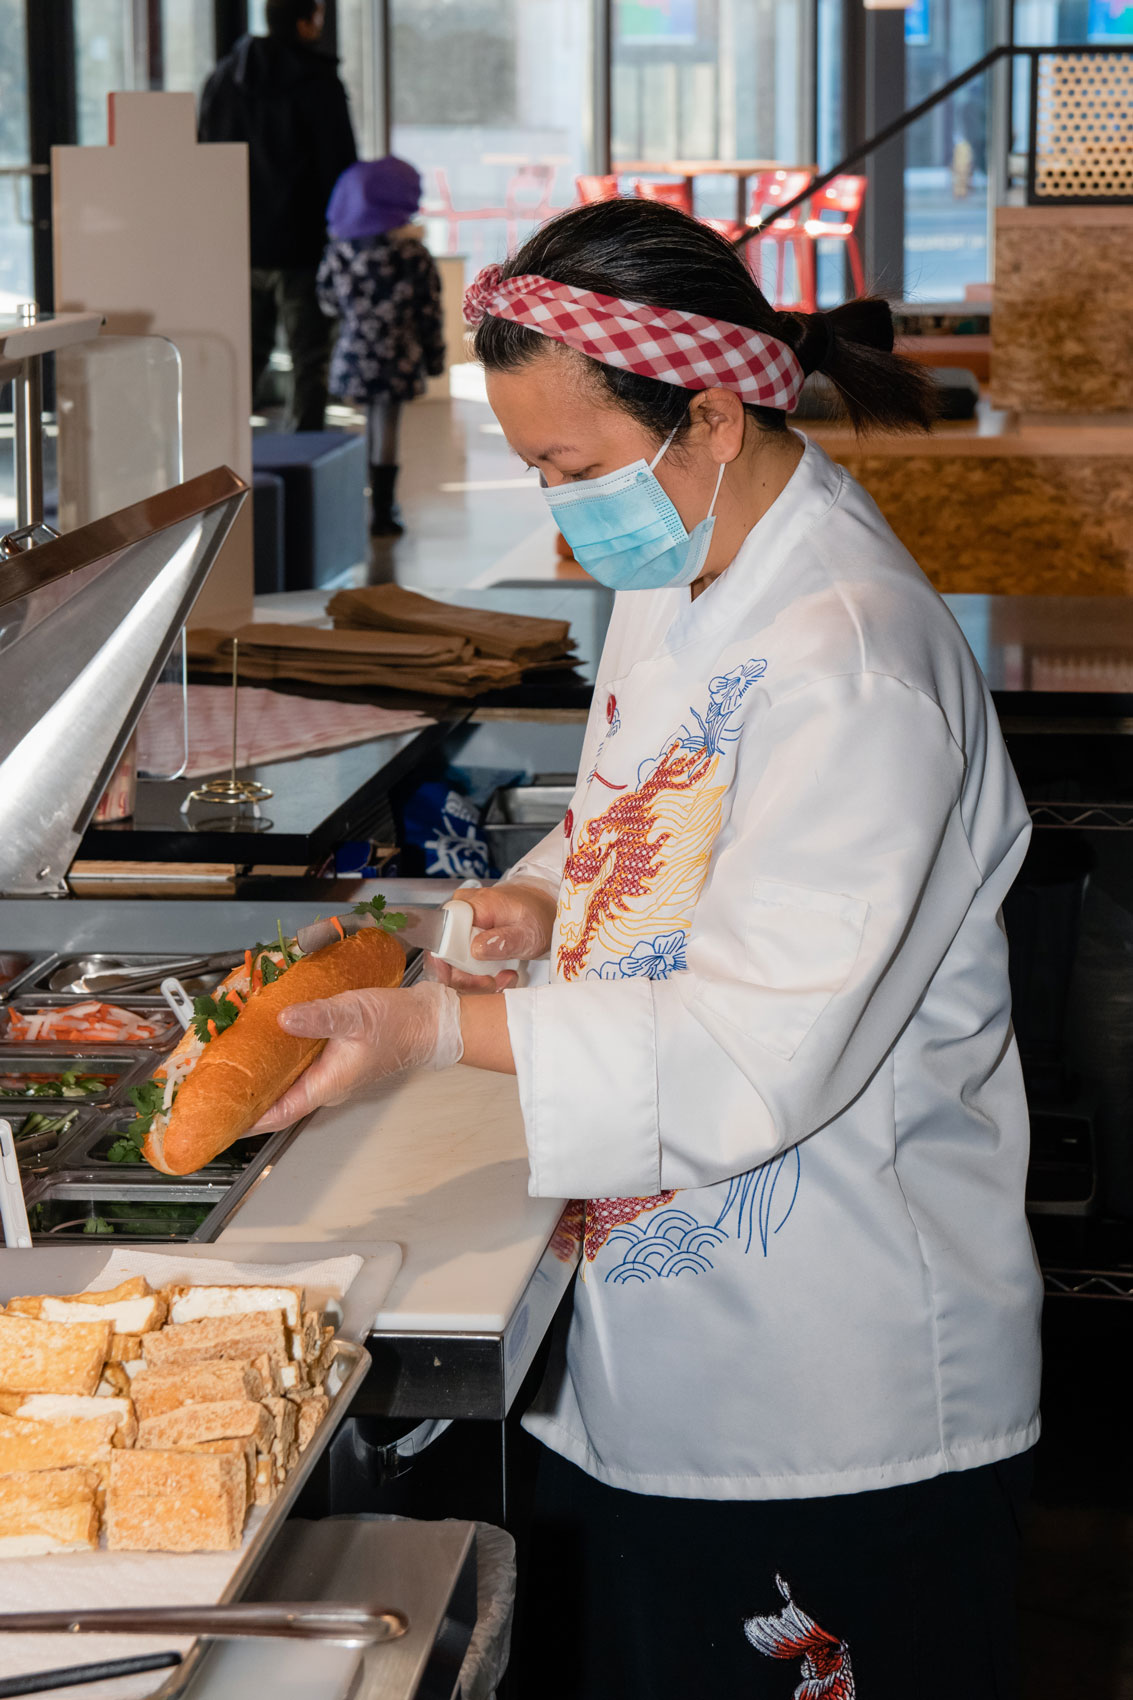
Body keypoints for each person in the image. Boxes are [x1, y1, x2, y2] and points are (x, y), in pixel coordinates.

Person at [253, 198, 1043, 1698]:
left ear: (712, 415)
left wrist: (435, 1037)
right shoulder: (692, 572)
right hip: (658, 1343)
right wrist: (545, 901)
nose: (562, 514)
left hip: (830, 1381)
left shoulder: (851, 661)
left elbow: (749, 1052)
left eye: (573, 468)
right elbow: (643, 812)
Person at [198, 0, 356, 431]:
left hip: (238, 240)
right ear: (306, 23)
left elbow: (203, 157)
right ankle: (305, 454)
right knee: (309, 356)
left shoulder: (222, 79)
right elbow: (340, 168)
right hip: (303, 245)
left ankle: (225, 452)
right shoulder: (318, 81)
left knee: (243, 353)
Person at [317, 157, 446, 537]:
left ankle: (365, 499)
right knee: (387, 425)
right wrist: (435, 358)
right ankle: (383, 510)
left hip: (354, 356)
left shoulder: (341, 252)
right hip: (398, 356)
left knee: (364, 424)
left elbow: (326, 302)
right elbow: (429, 312)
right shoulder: (413, 255)